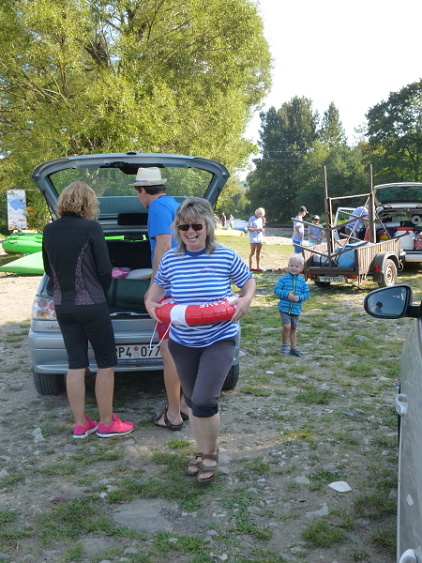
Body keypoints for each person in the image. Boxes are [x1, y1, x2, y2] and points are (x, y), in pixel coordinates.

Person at [145, 198, 256, 484]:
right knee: (194, 401)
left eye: (196, 225)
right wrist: (151, 306)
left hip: (219, 338)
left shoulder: (225, 255)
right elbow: (155, 294)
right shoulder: (171, 259)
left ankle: (211, 454)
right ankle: (201, 450)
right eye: (184, 227)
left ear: (208, 225)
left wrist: (245, 300)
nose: (190, 232)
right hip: (183, 342)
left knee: (205, 399)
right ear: (178, 228)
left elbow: (248, 281)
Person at [42, 181, 134, 438]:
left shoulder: (49, 230)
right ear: (89, 203)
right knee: (106, 362)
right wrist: (101, 290)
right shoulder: (91, 227)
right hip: (92, 303)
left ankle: (81, 423)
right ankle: (106, 423)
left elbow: (48, 269)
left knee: (75, 363)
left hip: (63, 305)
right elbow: (105, 269)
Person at [132, 167, 187, 430]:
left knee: (169, 351)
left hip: (170, 290)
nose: (138, 197)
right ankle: (185, 404)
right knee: (183, 348)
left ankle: (173, 415)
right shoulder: (174, 205)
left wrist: (155, 286)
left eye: (137, 192)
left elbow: (163, 245)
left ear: (142, 189)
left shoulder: (156, 208)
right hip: (184, 286)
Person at [274, 254, 310, 356]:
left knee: (293, 328)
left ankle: (293, 347)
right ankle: (284, 344)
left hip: (296, 309)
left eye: (297, 266)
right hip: (284, 308)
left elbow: (306, 294)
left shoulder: (302, 281)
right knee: (287, 326)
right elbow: (276, 290)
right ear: (288, 265)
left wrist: (299, 297)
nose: (294, 268)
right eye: (292, 265)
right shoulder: (283, 279)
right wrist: (286, 294)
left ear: (301, 268)